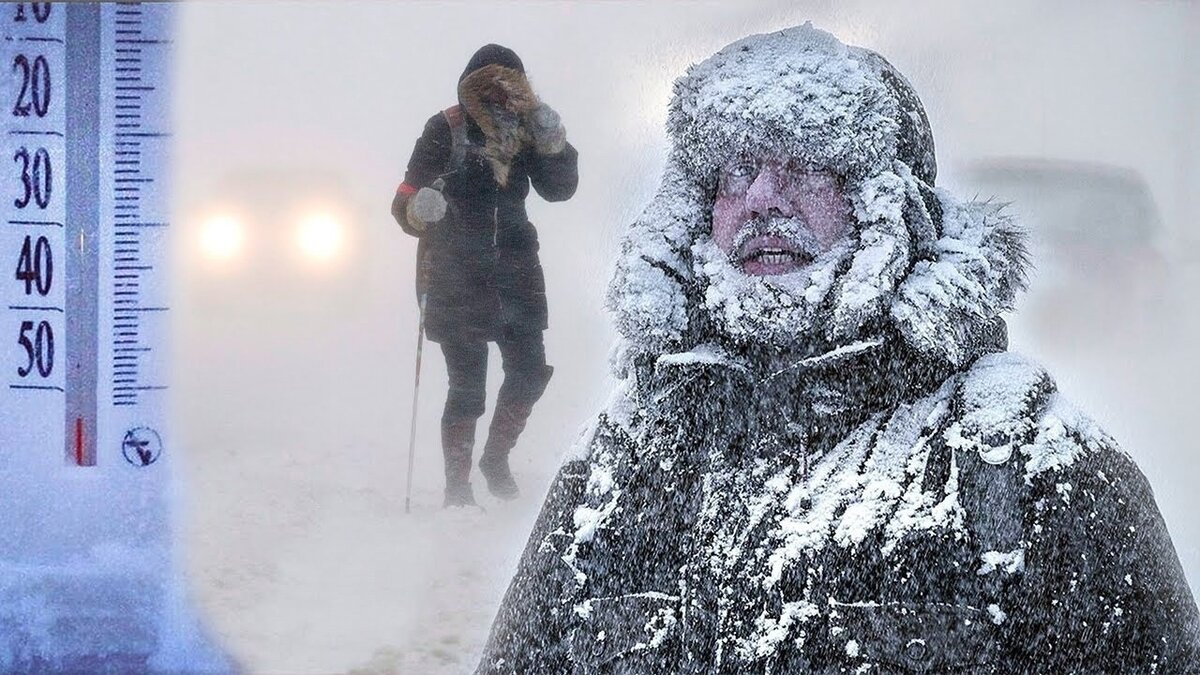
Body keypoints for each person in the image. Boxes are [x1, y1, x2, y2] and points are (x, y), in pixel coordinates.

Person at [475, 25, 1200, 673]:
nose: (761, 196)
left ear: (886, 206)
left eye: (805, 165)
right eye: (734, 171)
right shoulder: (624, 452)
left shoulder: (1027, 463)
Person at [392, 44, 578, 507]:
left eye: (509, 84)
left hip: (517, 270)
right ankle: (458, 489)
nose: (499, 93)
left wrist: (556, 146)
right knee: (468, 387)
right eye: (488, 84)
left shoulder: (528, 129)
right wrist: (419, 209)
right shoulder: (446, 128)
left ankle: (495, 459)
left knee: (530, 371)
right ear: (472, 86)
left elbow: (559, 191)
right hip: (456, 273)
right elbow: (403, 202)